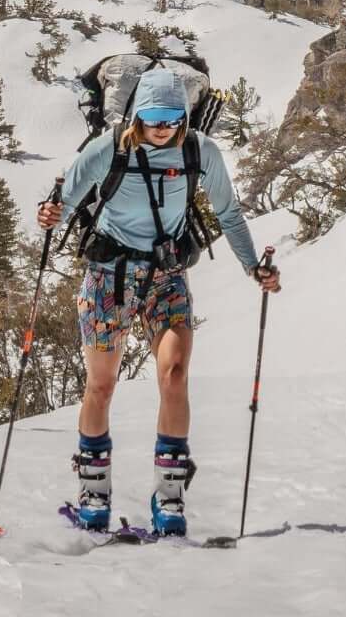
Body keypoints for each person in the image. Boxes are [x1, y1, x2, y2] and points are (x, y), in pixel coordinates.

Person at [36, 69, 279, 536]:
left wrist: (253, 268)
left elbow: (228, 213)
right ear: (137, 114)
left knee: (174, 373)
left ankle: (169, 496)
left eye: (173, 116)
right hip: (109, 276)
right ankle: (94, 489)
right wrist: (49, 214)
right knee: (101, 385)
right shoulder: (107, 149)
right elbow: (63, 205)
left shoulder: (199, 152)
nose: (163, 125)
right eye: (153, 116)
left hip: (166, 276)